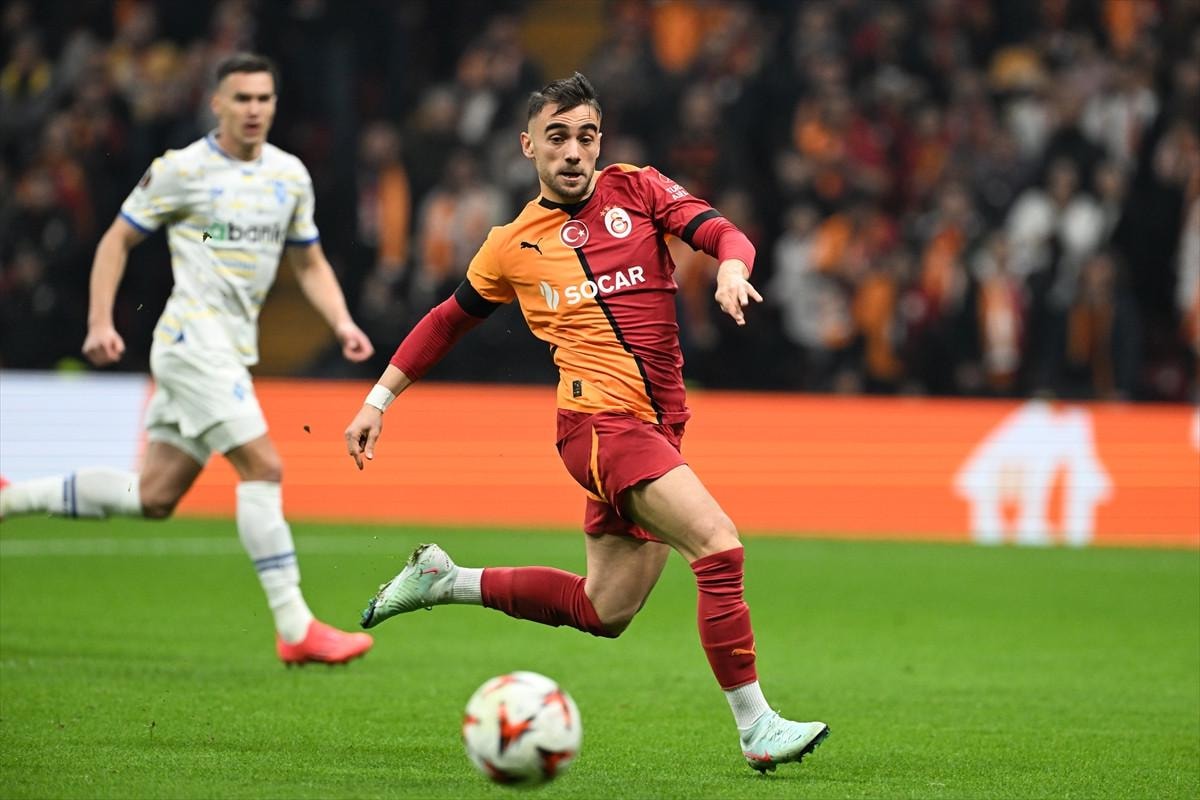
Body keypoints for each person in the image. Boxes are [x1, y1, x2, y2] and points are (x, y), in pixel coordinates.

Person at [343, 73, 829, 772]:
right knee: (719, 546)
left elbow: (725, 233)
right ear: (528, 146)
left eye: (586, 136)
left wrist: (730, 268)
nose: (573, 151)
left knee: (605, 610)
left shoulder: (639, 189)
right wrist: (378, 400)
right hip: (600, 426)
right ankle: (757, 725)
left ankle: (445, 580)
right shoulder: (511, 244)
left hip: (658, 427)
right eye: (558, 137)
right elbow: (447, 321)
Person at [0, 53, 374, 667]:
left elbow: (308, 261)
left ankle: (12, 498)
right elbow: (116, 240)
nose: (253, 109)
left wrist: (341, 322)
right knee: (263, 466)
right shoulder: (181, 170)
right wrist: (99, 321)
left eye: (264, 98)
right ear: (216, 103)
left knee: (153, 496)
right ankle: (295, 626)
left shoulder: (289, 176)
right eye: (241, 98)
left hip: (229, 349)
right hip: (191, 342)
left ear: (274, 105)